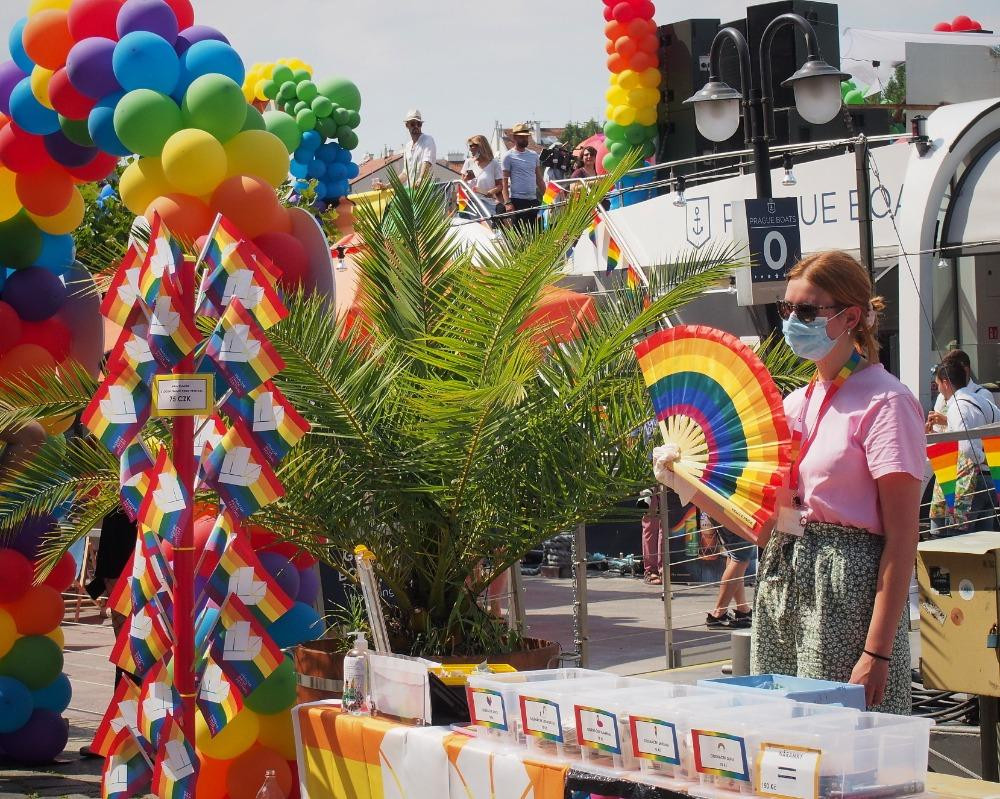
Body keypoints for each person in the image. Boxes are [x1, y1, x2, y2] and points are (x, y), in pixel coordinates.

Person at [654, 250, 924, 713]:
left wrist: (877, 651)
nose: (792, 321)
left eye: (806, 310)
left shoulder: (887, 403)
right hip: (784, 584)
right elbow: (763, 528)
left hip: (848, 594)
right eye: (787, 309)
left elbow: (902, 539)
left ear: (850, 317)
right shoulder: (795, 404)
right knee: (788, 738)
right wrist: (689, 486)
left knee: (843, 746)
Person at [928, 361, 999, 535]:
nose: (938, 389)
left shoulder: (957, 406)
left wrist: (980, 459)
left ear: (945, 383)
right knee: (984, 542)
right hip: (990, 478)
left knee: (957, 541)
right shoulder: (985, 401)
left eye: (938, 384)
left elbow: (968, 449)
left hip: (967, 482)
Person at [926, 348, 995, 433]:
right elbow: (940, 434)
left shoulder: (982, 395)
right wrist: (930, 432)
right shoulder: (942, 396)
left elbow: (983, 435)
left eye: (949, 369)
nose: (945, 372)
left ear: (965, 370)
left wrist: (947, 421)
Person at [705, 519, 754, 629]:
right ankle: (718, 614)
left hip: (723, 508)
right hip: (735, 510)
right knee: (740, 557)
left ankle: (743, 610)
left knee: (735, 555)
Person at [374, 109, 436, 189]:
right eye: (413, 123)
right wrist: (387, 186)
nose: (416, 126)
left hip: (425, 191)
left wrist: (421, 178)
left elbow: (427, 162)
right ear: (407, 125)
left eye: (419, 124)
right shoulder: (408, 146)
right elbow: (405, 174)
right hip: (411, 193)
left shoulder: (428, 140)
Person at [501, 122, 545, 232]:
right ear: (514, 137)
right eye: (521, 137)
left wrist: (547, 197)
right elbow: (504, 182)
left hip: (533, 200)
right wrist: (507, 203)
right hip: (518, 201)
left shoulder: (534, 155)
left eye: (526, 136)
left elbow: (539, 179)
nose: (525, 139)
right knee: (521, 234)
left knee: (538, 233)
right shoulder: (508, 156)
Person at [461, 134, 503, 212]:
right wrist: (466, 179)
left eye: (475, 145)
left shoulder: (494, 164)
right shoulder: (468, 162)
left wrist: (491, 192)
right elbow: (461, 186)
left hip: (488, 204)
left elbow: (500, 186)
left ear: (482, 147)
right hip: (470, 204)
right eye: (470, 146)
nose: (471, 148)